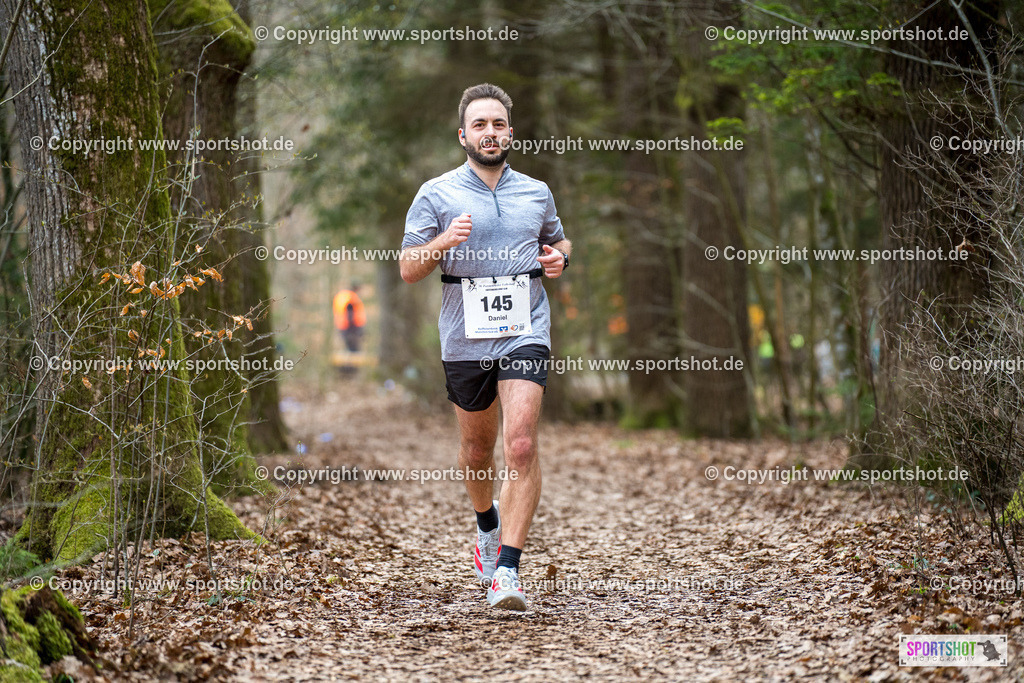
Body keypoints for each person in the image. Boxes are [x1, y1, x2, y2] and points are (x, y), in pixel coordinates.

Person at [400, 83, 571, 611]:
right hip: (465, 335)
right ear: (463, 135)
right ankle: (486, 525)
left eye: (498, 124)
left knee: (519, 444)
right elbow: (408, 267)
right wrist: (442, 244)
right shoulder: (436, 193)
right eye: (480, 125)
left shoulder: (536, 191)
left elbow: (559, 240)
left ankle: (508, 573)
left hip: (526, 328)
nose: (490, 133)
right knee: (477, 450)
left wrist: (559, 258)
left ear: (510, 133)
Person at [333, 283, 366, 353]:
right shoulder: (352, 298)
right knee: (353, 351)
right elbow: (350, 315)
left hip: (343, 328)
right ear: (356, 288)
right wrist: (357, 331)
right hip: (351, 329)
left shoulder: (344, 296)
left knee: (349, 350)